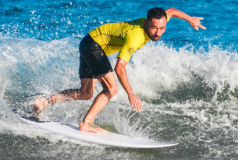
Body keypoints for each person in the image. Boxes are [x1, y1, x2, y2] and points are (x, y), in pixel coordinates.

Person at [33, 8, 206, 133]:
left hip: (87, 42)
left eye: (161, 28)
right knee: (112, 89)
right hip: (93, 47)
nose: (158, 32)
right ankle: (87, 123)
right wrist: (130, 93)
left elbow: (172, 11)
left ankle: (44, 102)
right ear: (146, 23)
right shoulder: (135, 37)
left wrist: (190, 19)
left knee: (86, 93)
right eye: (154, 28)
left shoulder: (158, 19)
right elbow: (119, 67)